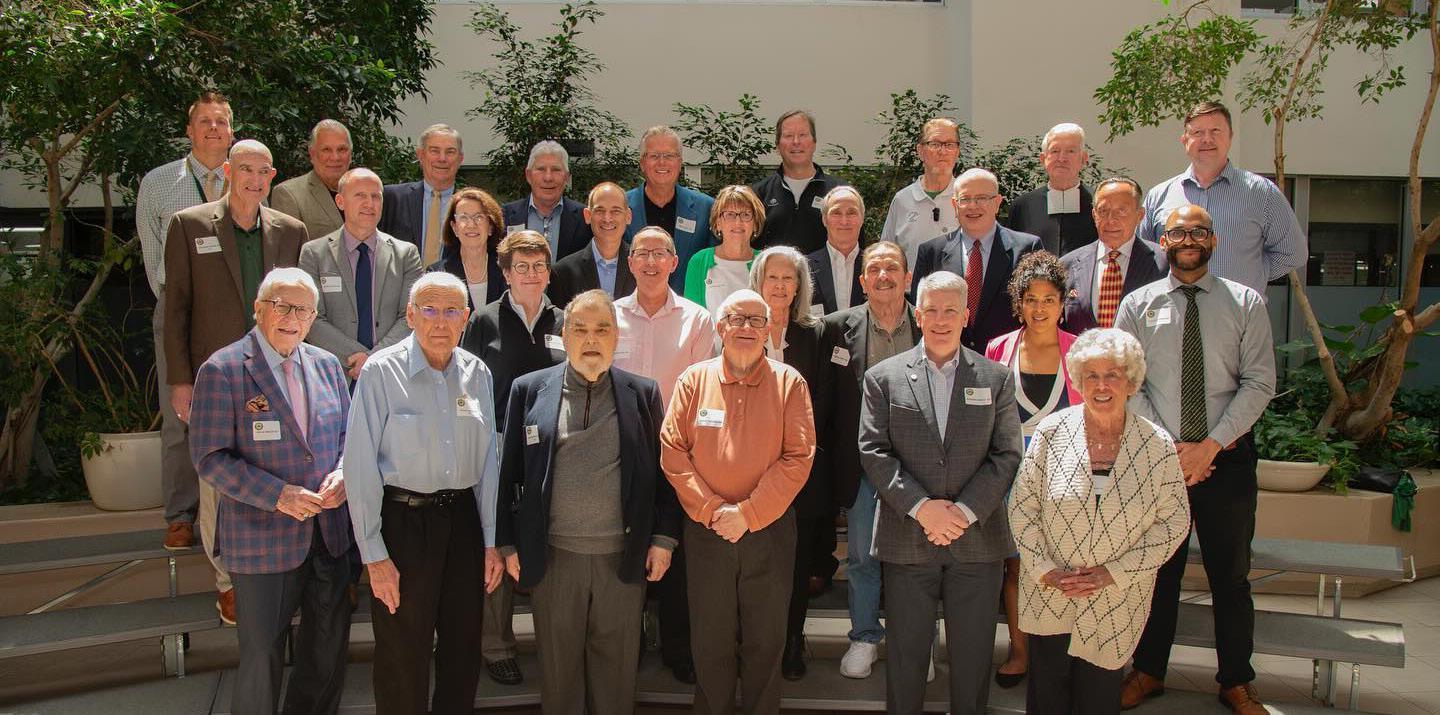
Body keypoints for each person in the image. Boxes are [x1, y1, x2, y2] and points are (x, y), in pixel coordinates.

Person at [1116, 204, 1276, 715]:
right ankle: (1148, 671)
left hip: (1225, 459)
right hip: (1158, 462)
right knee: (1157, 571)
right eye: (1178, 232)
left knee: (1231, 577)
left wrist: (1210, 446)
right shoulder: (1137, 304)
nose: (1189, 239)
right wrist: (1170, 449)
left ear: (1213, 240)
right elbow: (1127, 382)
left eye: (1199, 232)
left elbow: (1259, 382)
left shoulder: (1245, 303)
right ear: (1163, 241)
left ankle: (1236, 681)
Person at [497, 289, 680, 714]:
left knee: (616, 675)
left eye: (602, 329)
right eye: (580, 329)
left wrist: (663, 539)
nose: (591, 339)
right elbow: (509, 473)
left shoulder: (643, 393)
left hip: (622, 557)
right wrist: (507, 543)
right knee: (559, 674)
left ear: (617, 337)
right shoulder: (529, 390)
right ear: (564, 336)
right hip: (554, 558)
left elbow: (663, 475)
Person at [188, 268, 354, 715]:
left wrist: (344, 474)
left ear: (314, 317)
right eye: (282, 306)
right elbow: (209, 457)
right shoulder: (222, 370)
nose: (291, 317)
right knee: (261, 659)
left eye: (303, 310)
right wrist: (279, 495)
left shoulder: (327, 366)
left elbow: (349, 438)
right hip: (261, 539)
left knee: (326, 654)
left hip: (328, 534)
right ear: (259, 309)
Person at [858, 270, 1023, 715]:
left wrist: (964, 511)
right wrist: (921, 508)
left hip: (978, 540)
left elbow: (1007, 453)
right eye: (931, 309)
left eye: (951, 310)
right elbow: (873, 450)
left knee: (973, 660)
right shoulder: (883, 377)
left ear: (966, 316)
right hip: (908, 538)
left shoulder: (996, 377)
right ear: (918, 315)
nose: (941, 319)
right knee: (906, 659)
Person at [344, 272, 504, 715]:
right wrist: (373, 555)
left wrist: (491, 541)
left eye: (452, 311)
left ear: (466, 319)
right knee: (402, 653)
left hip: (463, 522)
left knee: (463, 648)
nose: (440, 321)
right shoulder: (380, 372)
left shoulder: (478, 373)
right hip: (403, 524)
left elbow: (488, 463)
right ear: (411, 315)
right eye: (429, 310)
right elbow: (359, 466)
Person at [1008, 328, 1191, 715]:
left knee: (1097, 701)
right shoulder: (1051, 432)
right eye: (1091, 375)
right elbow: (1022, 508)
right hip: (1051, 594)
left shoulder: (1157, 445)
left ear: (1131, 382)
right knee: (1047, 700)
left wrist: (1114, 573)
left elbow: (1174, 522)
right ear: (1078, 381)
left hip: (1116, 603)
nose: (1102, 385)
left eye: (1112, 375)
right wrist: (1045, 570)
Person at [164, 138, 308, 625]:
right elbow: (176, 308)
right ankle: (226, 581)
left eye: (263, 171)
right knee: (216, 475)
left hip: (275, 368)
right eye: (245, 169)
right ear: (228, 171)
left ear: (273, 177)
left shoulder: (290, 230)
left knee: (270, 466)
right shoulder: (189, 225)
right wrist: (180, 379)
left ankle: (281, 572)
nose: (254, 179)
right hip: (215, 373)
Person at [660, 289, 816, 715]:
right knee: (710, 640)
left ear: (768, 330)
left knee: (766, 641)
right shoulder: (693, 380)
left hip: (769, 531)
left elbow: (798, 457)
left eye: (755, 320)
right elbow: (672, 452)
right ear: (720, 326)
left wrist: (748, 514)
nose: (746, 327)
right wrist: (713, 511)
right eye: (736, 319)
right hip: (706, 532)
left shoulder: (790, 383)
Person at [458, 229, 566, 686]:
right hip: (499, 446)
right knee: (497, 541)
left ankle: (556, 642)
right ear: (505, 273)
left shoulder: (565, 321)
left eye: (539, 266)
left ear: (549, 272)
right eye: (521, 266)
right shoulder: (484, 321)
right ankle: (497, 645)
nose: (531, 274)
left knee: (548, 540)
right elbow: (464, 387)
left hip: (554, 449)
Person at [613, 225, 716, 684]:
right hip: (621, 450)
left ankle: (679, 648)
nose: (651, 262)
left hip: (680, 450)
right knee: (626, 545)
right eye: (642, 253)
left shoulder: (698, 319)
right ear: (630, 262)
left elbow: (702, 389)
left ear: (675, 262)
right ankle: (627, 643)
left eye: (660, 254)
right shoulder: (609, 315)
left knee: (678, 551)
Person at [136, 90, 233, 558]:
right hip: (178, 312)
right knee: (180, 412)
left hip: (235, 314)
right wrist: (177, 308)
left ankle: (234, 509)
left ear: (231, 131)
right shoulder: (158, 183)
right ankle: (180, 515)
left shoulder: (245, 178)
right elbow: (151, 254)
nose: (214, 128)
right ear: (190, 129)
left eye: (221, 121)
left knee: (242, 412)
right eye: (205, 121)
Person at [983, 250, 1085, 690]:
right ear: (1018, 303)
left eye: (1048, 299)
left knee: (1067, 563)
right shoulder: (998, 348)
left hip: (1067, 476)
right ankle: (1020, 650)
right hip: (1011, 475)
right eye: (1030, 299)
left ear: (1063, 303)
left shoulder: (1079, 350)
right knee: (1017, 566)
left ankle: (1067, 652)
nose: (1039, 309)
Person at [820, 241, 920, 680]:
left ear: (908, 277)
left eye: (892, 268)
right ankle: (864, 637)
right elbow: (827, 402)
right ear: (862, 280)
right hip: (862, 466)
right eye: (874, 269)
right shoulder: (836, 328)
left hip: (919, 468)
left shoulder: (930, 323)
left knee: (915, 561)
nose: (883, 276)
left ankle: (912, 642)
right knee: (862, 557)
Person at [747, 246, 830, 680]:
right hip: (749, 473)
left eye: (788, 278)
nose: (779, 286)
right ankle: (752, 646)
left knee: (796, 567)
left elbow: (826, 405)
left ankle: (792, 641)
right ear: (758, 282)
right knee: (754, 568)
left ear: (799, 286)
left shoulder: (817, 335)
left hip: (804, 475)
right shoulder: (743, 330)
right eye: (772, 277)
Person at [1137, 101, 1307, 296]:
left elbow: (1293, 253)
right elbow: (1145, 257)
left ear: (1230, 137)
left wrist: (1254, 276)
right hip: (1172, 311)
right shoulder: (1159, 196)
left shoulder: (1261, 192)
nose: (1207, 139)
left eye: (1215, 131)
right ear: (1184, 139)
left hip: (1237, 312)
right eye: (1198, 132)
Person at [299, 168, 423, 382]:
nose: (369, 203)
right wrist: (355, 358)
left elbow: (411, 315)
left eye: (376, 196)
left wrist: (375, 359)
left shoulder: (406, 254)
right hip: (334, 373)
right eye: (360, 195)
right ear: (340, 201)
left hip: (390, 373)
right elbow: (311, 317)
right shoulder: (314, 253)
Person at [912, 168, 1043, 354]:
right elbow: (919, 314)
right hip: (948, 361)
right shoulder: (931, 252)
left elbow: (1039, 310)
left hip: (1007, 359)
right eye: (965, 199)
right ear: (954, 204)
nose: (973, 206)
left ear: (997, 203)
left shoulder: (1027, 249)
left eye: (982, 198)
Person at [1060, 177, 1168, 333]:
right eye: (1103, 211)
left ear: (1140, 215)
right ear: (1094, 215)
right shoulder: (1067, 266)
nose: (1111, 220)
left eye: (1121, 211)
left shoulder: (1164, 264)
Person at [624, 126, 717, 290]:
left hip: (688, 303)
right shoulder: (621, 207)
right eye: (654, 156)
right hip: (633, 303)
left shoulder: (706, 208)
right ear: (642, 163)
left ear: (680, 163)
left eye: (669, 155)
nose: (662, 162)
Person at [750, 110, 846, 254]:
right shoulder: (758, 195)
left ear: (814, 143)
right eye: (788, 136)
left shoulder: (839, 193)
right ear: (777, 146)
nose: (796, 142)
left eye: (802, 135)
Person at [1005, 122, 1100, 257]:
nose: (1062, 159)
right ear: (1043, 159)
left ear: (1084, 159)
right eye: (1055, 151)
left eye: (1071, 151)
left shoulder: (1099, 204)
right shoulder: (1023, 206)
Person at [879, 117, 962, 269]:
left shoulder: (967, 198)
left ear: (957, 151)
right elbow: (886, 255)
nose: (942, 151)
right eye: (934, 144)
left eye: (949, 144)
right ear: (920, 151)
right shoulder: (903, 200)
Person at [378, 123, 463, 266]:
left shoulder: (472, 206)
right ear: (420, 155)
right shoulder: (392, 199)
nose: (442, 158)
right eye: (434, 151)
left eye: (450, 152)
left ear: (460, 159)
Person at [547, 182, 636, 308]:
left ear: (628, 216)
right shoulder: (563, 273)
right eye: (600, 211)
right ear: (587, 215)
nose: (607, 218)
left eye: (616, 211)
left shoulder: (643, 267)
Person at [501, 141, 592, 262]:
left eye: (555, 170)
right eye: (541, 169)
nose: (548, 177)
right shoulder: (505, 216)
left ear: (566, 177)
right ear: (528, 175)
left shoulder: (585, 219)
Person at [683, 185, 764, 313]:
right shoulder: (699, 261)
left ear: (755, 223)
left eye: (746, 215)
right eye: (730, 214)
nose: (738, 222)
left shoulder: (765, 263)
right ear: (718, 223)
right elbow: (692, 315)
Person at [271, 119, 352, 239]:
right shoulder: (289, 194)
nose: (335, 157)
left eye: (342, 149)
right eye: (326, 150)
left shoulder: (366, 192)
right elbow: (287, 248)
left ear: (350, 154)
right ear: (312, 153)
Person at [429, 187, 507, 309]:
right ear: (454, 228)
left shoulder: (508, 269)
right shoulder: (437, 274)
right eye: (464, 217)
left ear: (491, 227)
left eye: (479, 217)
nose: (471, 224)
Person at [806, 186, 865, 317]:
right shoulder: (804, 267)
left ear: (862, 219)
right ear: (824, 219)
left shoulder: (876, 267)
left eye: (851, 213)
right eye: (836, 213)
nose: (844, 221)